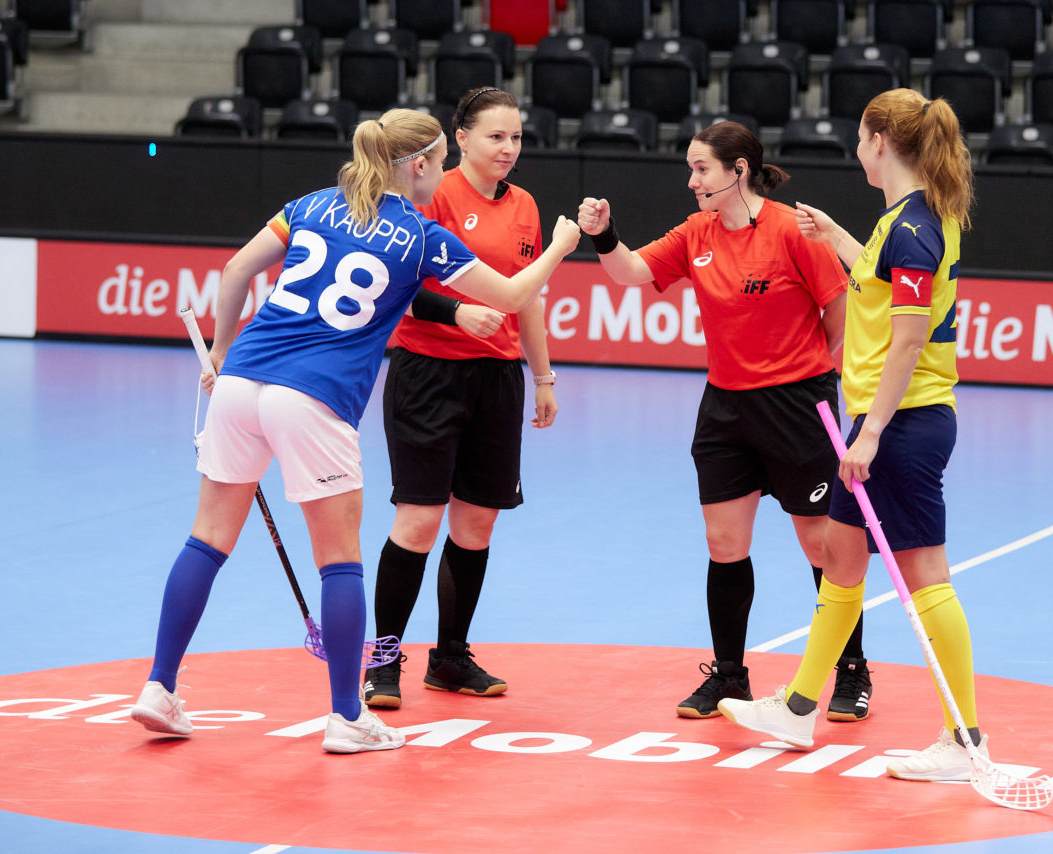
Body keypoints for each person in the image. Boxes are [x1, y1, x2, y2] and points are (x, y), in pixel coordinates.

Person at [129, 109, 580, 753]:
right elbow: (509, 298)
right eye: (441, 162)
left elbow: (234, 273)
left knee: (206, 541)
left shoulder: (311, 204)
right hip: (314, 398)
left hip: (240, 383)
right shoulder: (421, 236)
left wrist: (224, 355)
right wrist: (562, 248)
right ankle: (346, 717)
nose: (447, 172)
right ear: (419, 164)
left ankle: (158, 688)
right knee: (339, 562)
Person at [718, 89, 982, 783]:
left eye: (860, 137)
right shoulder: (907, 220)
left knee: (926, 576)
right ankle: (801, 707)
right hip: (881, 418)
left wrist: (870, 436)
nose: (856, 147)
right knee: (841, 556)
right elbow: (882, 280)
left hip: (902, 422)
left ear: (879, 142)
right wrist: (837, 237)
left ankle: (964, 738)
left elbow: (907, 339)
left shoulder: (913, 227)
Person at [577, 121, 875, 721]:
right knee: (724, 544)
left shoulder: (793, 229)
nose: (692, 181)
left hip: (798, 405)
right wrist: (604, 235)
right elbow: (632, 272)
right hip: (726, 407)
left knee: (821, 544)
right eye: (691, 169)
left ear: (738, 171)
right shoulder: (697, 232)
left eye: (702, 170)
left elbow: (839, 305)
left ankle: (851, 670)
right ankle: (730, 675)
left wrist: (809, 363)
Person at [362, 87, 558, 709]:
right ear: (462, 139)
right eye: (496, 136)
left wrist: (543, 374)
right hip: (428, 374)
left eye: (517, 137)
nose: (508, 148)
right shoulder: (432, 194)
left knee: (476, 524)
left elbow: (526, 295)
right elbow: (400, 286)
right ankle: (384, 661)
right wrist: (454, 314)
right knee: (418, 522)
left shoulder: (525, 205)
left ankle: (450, 657)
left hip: (496, 379)